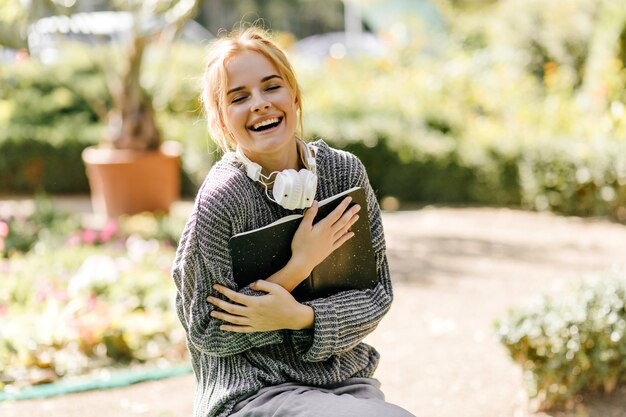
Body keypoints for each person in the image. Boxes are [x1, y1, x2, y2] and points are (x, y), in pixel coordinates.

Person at [171, 26, 415, 417]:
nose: (260, 103)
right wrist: (297, 267)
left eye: (272, 87)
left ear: (294, 95)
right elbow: (205, 329)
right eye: (239, 97)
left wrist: (303, 318)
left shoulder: (344, 173)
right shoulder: (220, 202)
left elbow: (376, 295)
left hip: (344, 383)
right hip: (251, 392)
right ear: (220, 119)